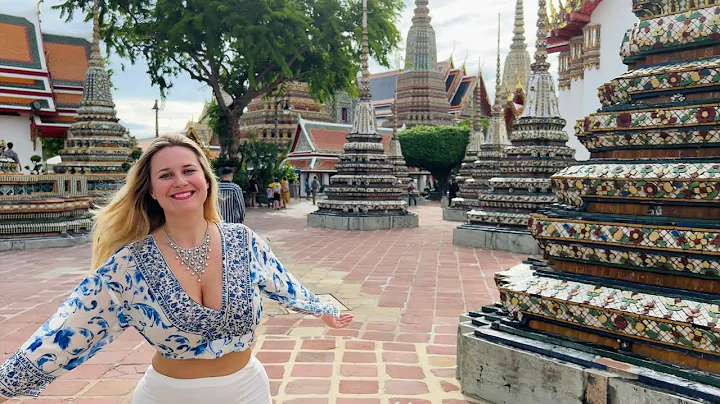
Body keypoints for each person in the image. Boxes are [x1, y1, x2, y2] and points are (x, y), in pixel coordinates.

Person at [0, 134, 352, 404]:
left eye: (189, 171)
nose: (180, 182)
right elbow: (66, 331)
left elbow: (283, 284)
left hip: (248, 390)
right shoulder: (128, 265)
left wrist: (323, 309)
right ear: (151, 191)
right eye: (166, 175)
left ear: (207, 180)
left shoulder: (244, 241)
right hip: (169, 395)